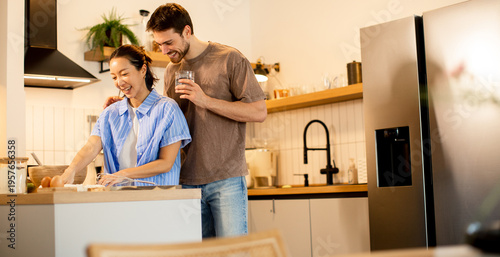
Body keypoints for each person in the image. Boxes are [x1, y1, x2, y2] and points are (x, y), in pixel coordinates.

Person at [147, 3, 267, 238]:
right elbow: (169, 120)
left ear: (187, 31)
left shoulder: (229, 58)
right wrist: (129, 104)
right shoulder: (173, 70)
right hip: (187, 180)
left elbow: (258, 112)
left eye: (169, 42)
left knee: (233, 255)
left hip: (227, 179)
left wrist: (206, 100)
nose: (164, 51)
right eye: (159, 44)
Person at [63, 44, 191, 187]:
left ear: (143, 70)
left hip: (157, 201)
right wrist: (70, 171)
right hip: (119, 200)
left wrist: (122, 175)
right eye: (114, 77)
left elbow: (166, 163)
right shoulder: (110, 114)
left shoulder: (167, 110)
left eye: (124, 74)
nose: (119, 82)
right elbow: (91, 147)